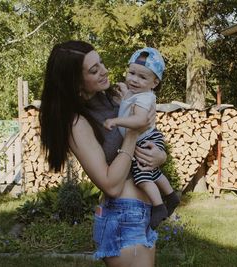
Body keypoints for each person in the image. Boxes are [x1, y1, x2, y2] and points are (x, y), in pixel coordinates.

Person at [39, 40, 167, 266]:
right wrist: (131, 134)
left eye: (101, 63)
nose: (104, 71)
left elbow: (146, 139)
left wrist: (160, 157)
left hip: (141, 212)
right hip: (123, 217)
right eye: (93, 70)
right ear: (75, 81)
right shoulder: (76, 123)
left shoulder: (113, 98)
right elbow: (111, 184)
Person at [103, 48, 180, 229]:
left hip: (146, 138)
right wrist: (124, 90)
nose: (134, 80)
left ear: (155, 82)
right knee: (152, 171)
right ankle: (171, 196)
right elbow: (128, 99)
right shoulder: (138, 94)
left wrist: (116, 120)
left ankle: (158, 206)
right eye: (131, 73)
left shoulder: (145, 98)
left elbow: (139, 120)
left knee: (142, 175)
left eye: (142, 77)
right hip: (148, 137)